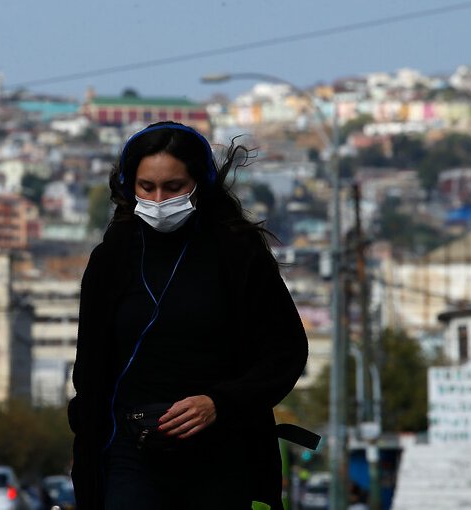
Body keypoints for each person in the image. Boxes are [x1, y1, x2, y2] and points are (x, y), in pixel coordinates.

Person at [68, 121, 308, 510]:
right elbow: (91, 371)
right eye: (147, 188)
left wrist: (219, 403)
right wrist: (87, 465)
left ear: (201, 184)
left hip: (225, 459)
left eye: (174, 187)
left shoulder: (237, 253)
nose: (159, 200)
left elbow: (286, 351)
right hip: (130, 455)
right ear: (131, 187)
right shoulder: (111, 258)